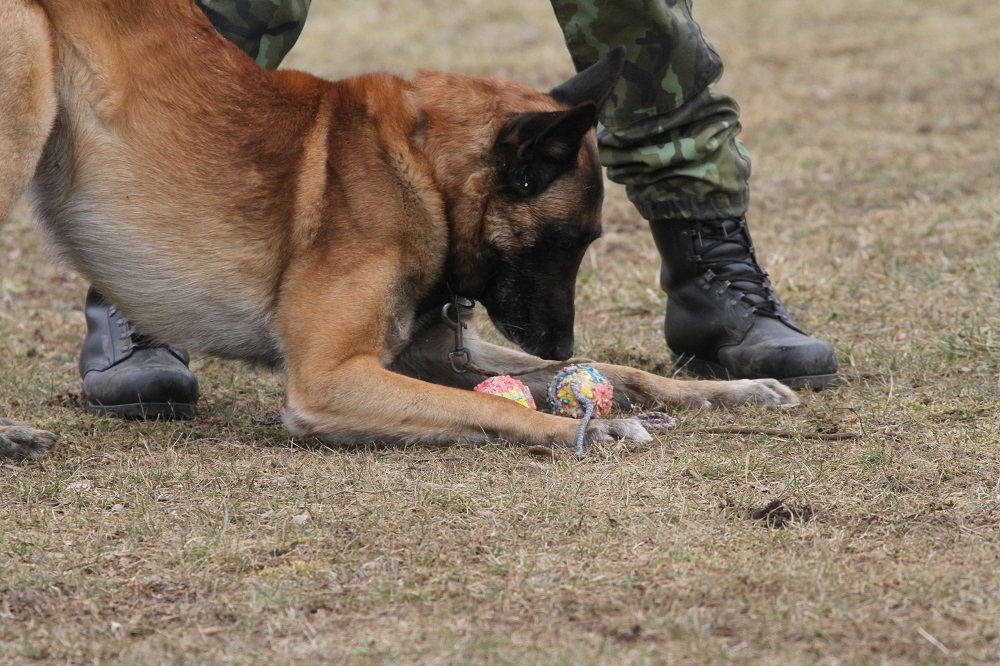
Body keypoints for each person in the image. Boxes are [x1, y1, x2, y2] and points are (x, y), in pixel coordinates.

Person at [78, 0, 837, 419]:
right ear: (508, 165)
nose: (557, 287)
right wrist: (527, 427)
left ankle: (710, 274)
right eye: (554, 247)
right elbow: (326, 392)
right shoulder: (386, 188)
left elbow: (432, 360)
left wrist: (654, 387)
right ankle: (151, 258)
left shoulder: (420, 200)